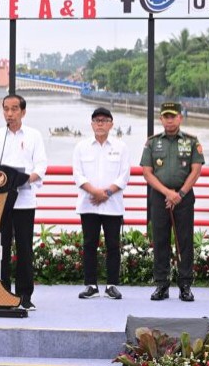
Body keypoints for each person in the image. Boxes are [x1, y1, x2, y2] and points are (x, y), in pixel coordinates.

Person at [0, 94, 47, 311]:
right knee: (1, 247)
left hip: (24, 201)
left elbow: (40, 166)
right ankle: (3, 292)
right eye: (6, 109)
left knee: (24, 249)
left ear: (23, 112)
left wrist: (24, 179)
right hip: (0, 203)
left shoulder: (34, 136)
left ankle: (24, 295)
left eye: (14, 109)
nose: (9, 114)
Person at [140, 102, 204, 302]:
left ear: (180, 118)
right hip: (160, 197)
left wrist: (180, 194)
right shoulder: (152, 143)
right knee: (160, 241)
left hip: (183, 198)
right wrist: (168, 193)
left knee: (184, 241)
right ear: (161, 119)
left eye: (173, 116)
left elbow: (196, 170)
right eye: (166, 116)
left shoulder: (192, 142)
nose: (169, 120)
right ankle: (161, 285)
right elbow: (147, 173)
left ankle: (185, 285)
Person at [72, 107, 130, 300]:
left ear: (111, 124)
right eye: (96, 120)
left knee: (113, 245)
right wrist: (94, 192)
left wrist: (105, 193)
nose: (100, 124)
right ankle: (91, 285)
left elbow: (124, 176)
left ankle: (112, 285)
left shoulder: (121, 147)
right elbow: (77, 174)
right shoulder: (81, 146)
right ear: (91, 124)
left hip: (112, 205)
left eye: (104, 120)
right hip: (89, 203)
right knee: (89, 244)